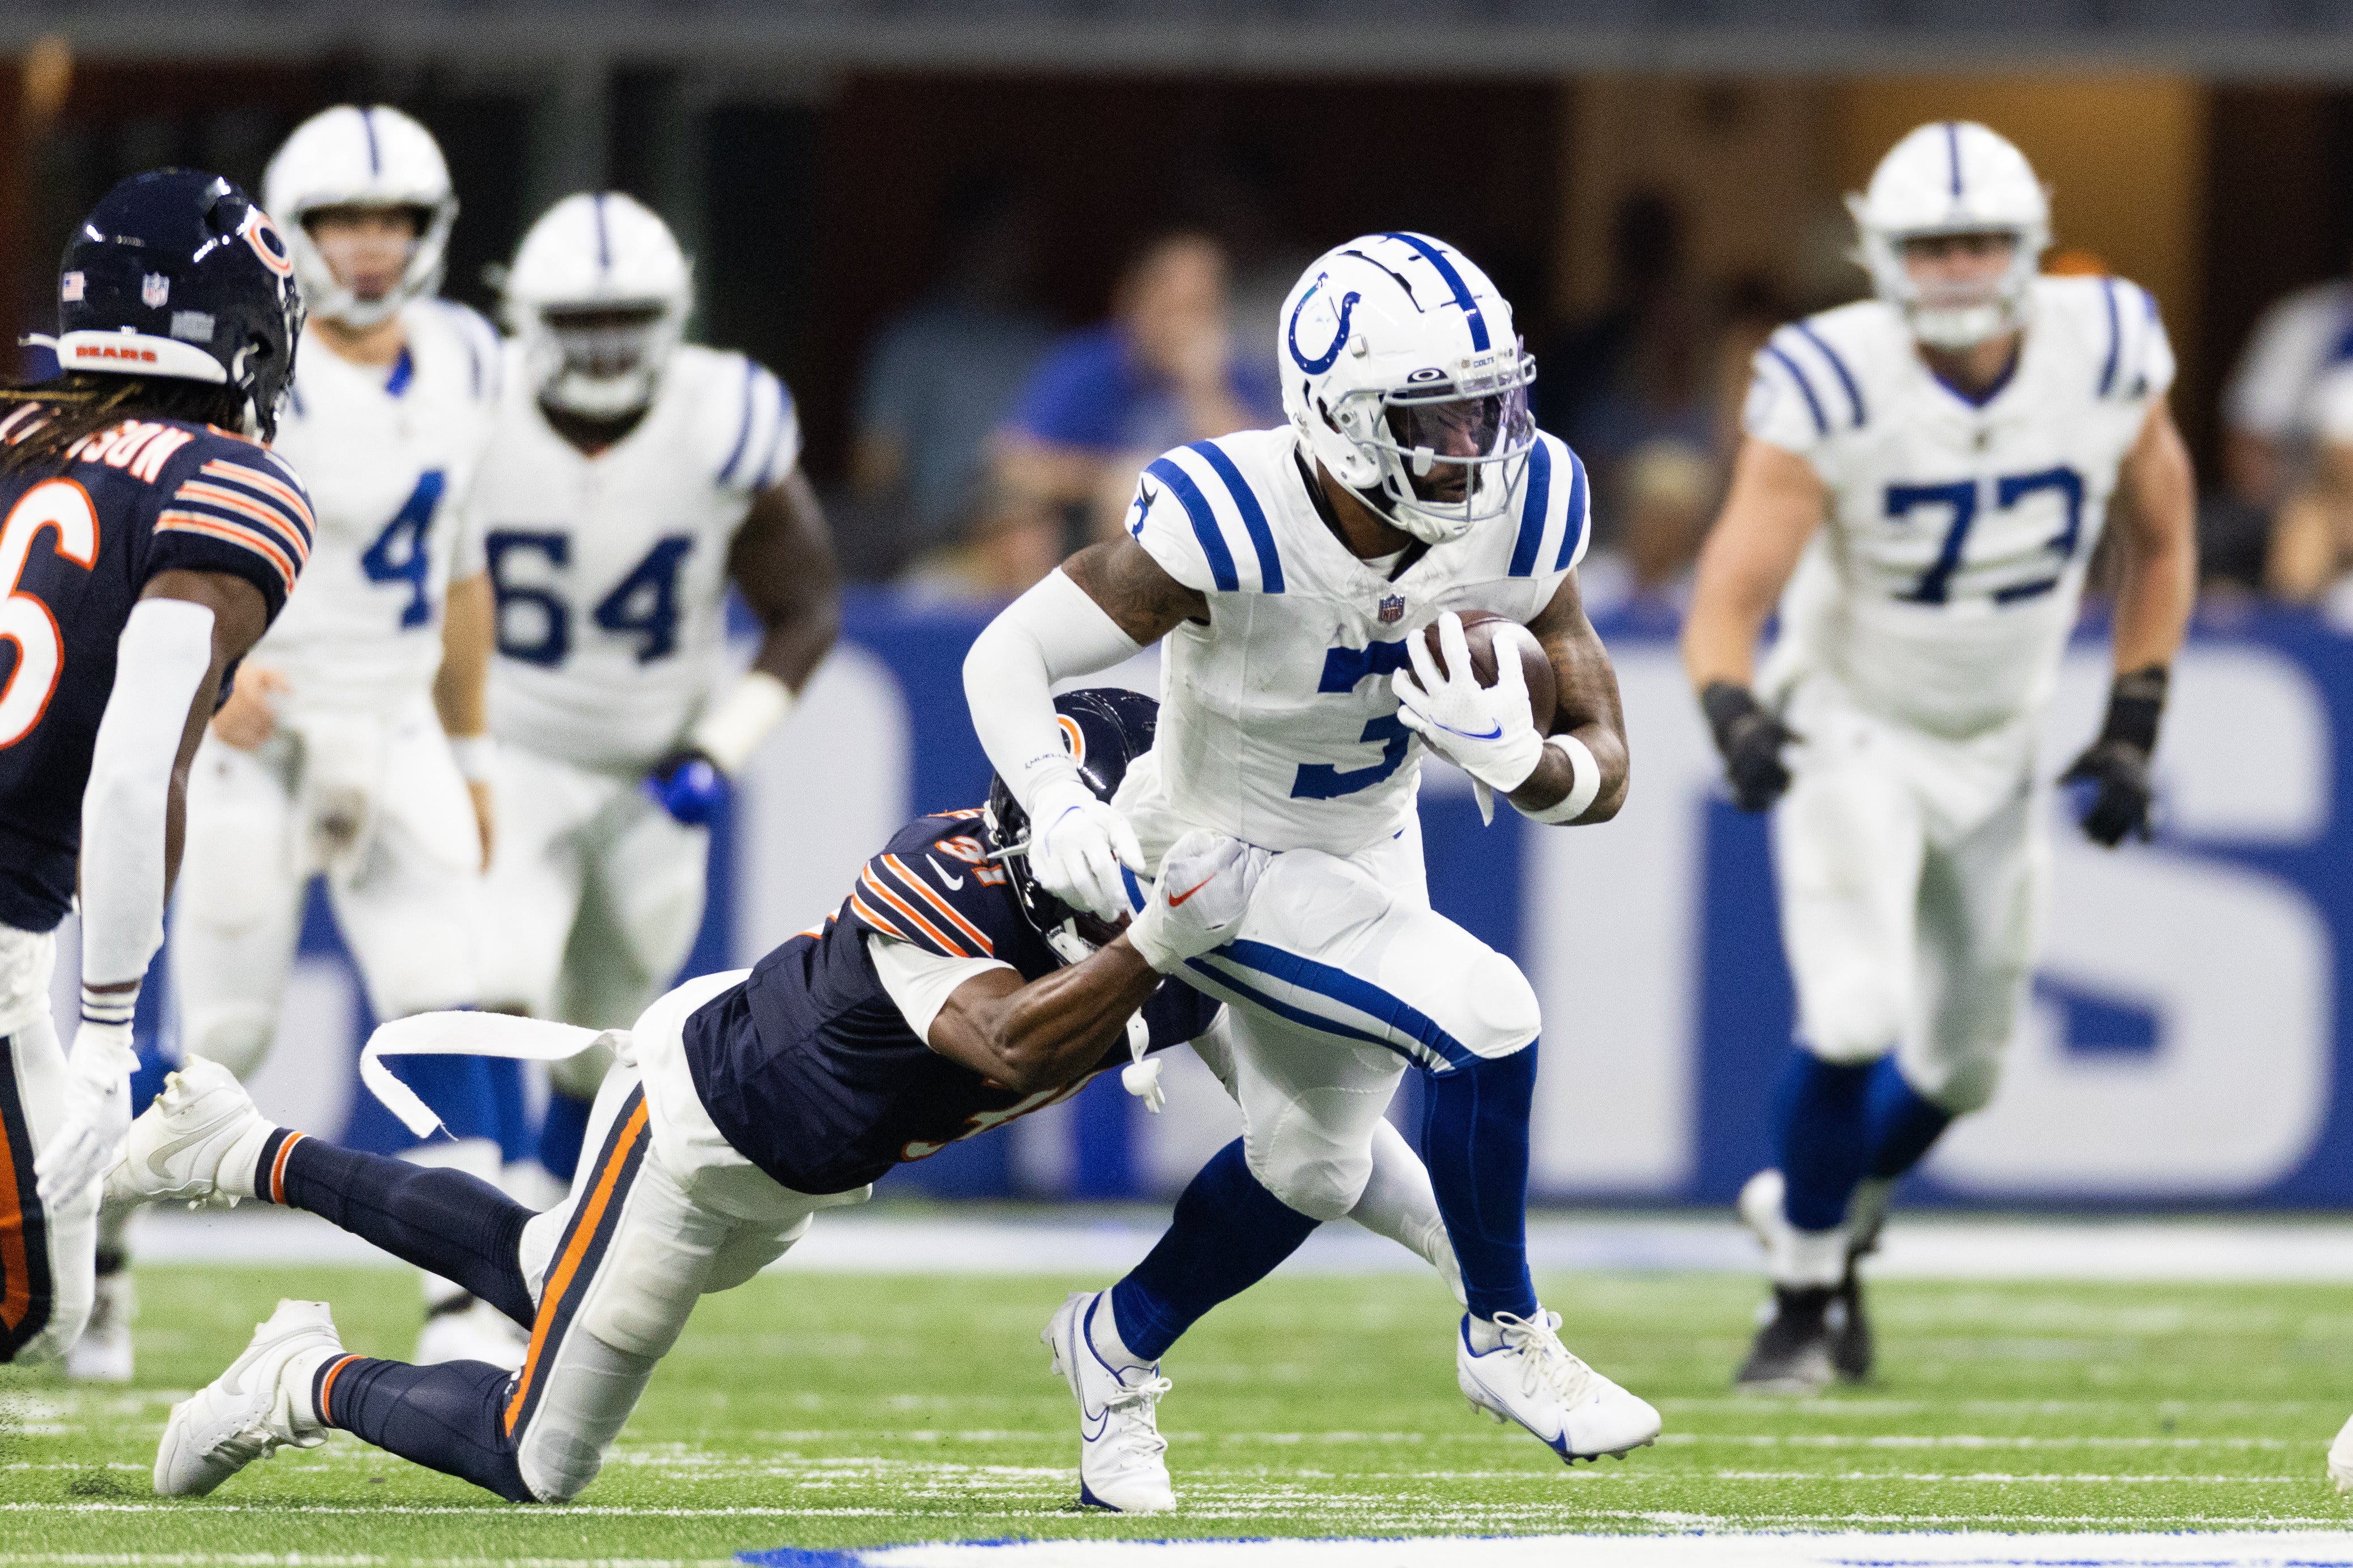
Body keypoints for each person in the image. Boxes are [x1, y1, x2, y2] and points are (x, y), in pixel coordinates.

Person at [121, 690, 1457, 1506]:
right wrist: (1156, 945)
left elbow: (1309, 1138)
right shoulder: (944, 878)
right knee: (541, 1455)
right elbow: (1003, 1043)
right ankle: (296, 1377)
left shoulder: (1173, 934)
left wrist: (1478, 1279)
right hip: (697, 1121)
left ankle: (246, 1146)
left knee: (543, 1263)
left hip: (797, 1170)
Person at [964, 230, 1660, 1513]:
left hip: (1366, 834)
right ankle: (1505, 1334)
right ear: (1337, 422)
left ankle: (1109, 1346)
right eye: (1436, 418)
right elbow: (1004, 652)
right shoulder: (1226, 518)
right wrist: (1057, 799)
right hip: (1214, 848)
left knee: (1311, 1167)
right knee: (1490, 1011)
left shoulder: (1526, 499)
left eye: (1488, 404)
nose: (1476, 446)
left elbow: (1607, 760)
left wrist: (1526, 766)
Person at [1679, 122, 2197, 1392]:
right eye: (1929, 245)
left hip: (2002, 731)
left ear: (2028, 247)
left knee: (1965, 1063)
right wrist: (1734, 712)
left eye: (1978, 242)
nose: (1958, 269)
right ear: (1878, 252)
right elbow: (1728, 588)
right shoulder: (1832, 375)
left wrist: (2133, 715)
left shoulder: (2107, 346)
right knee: (1854, 1008)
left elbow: (2165, 541)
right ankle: (1801, 1297)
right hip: (1855, 719)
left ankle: (1820, 1209)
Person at [156, 105, 514, 1378]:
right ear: (294, 231)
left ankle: (469, 1289)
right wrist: (211, 676)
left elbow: (465, 565)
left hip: (401, 707)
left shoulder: (474, 352)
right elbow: (171, 523)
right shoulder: (247, 348)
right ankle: (89, 1256)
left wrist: (471, 755)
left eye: (396, 221)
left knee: (441, 992)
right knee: (229, 1031)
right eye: (345, 221)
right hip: (267, 713)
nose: (370, 246)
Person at [466, 193, 838, 1212]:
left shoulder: (723, 419)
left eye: (624, 317)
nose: (603, 344)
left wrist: (720, 748)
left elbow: (805, 609)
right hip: (516, 743)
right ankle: (493, 1219)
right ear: (527, 318)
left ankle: (549, 1198)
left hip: (654, 764)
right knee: (501, 972)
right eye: (581, 320)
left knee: (607, 1028)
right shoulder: (468, 404)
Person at [0, 168, 306, 1366]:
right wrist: (111, 1030)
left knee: (50, 1299)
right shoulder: (224, 483)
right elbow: (134, 767)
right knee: (31, 1304)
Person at [993, 230, 1281, 544]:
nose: (1184, 325)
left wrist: (1205, 389)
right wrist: (1112, 478)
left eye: (1201, 308)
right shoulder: (1093, 364)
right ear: (1139, 300)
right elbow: (1012, 462)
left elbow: (1258, 484)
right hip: (1090, 541)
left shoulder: (1236, 374)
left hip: (1205, 538)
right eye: (1175, 306)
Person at [850, 176, 1058, 570]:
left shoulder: (1049, 340)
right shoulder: (913, 340)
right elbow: (874, 474)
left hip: (1042, 537)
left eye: (1028, 235)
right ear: (970, 238)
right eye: (1008, 232)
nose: (1024, 248)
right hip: (938, 542)